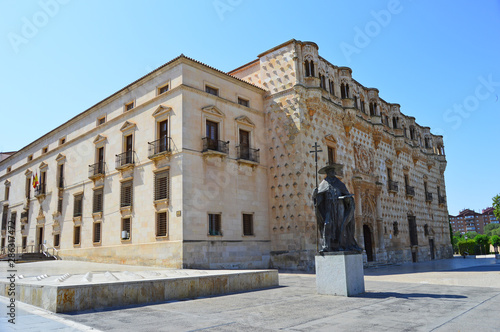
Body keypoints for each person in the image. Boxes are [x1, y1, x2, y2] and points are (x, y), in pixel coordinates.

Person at [313, 164, 362, 253]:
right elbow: (319, 199)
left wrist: (347, 199)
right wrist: (315, 195)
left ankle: (341, 245)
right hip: (329, 208)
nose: (333, 173)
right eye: (331, 171)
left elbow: (347, 195)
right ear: (327, 173)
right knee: (327, 225)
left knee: (340, 226)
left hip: (340, 207)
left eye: (333, 171)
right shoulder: (323, 184)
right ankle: (326, 246)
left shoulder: (340, 184)